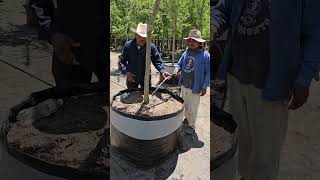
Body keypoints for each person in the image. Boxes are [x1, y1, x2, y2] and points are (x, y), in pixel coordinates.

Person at [212, 0, 320, 179]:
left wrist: (304, 78)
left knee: (266, 151)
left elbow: (315, 33)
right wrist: (213, 24)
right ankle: (245, 176)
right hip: (237, 76)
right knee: (244, 140)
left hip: (272, 84)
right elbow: (225, 9)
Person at [30, 0, 108, 94]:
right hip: (70, 47)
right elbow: (38, 3)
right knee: (71, 102)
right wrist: (52, 32)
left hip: (107, 45)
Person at [173, 29, 210, 133]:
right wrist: (176, 70)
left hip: (196, 86)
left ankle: (192, 126)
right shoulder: (186, 52)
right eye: (189, 41)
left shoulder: (205, 55)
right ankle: (187, 119)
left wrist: (205, 86)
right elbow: (179, 64)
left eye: (194, 41)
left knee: (193, 107)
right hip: (184, 84)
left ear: (200, 42)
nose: (191, 43)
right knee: (185, 104)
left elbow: (208, 72)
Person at [119, 23, 171, 89]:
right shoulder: (128, 45)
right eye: (141, 36)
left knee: (146, 94)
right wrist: (126, 72)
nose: (143, 38)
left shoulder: (151, 47)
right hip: (131, 76)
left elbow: (157, 61)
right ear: (136, 35)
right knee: (131, 94)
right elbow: (122, 60)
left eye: (145, 36)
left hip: (146, 77)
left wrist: (163, 71)